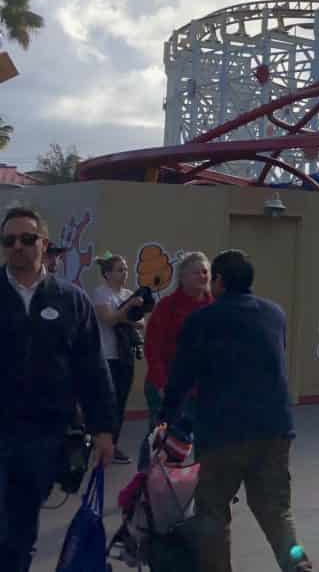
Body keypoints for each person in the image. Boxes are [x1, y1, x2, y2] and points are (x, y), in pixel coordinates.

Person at [162, 249, 313, 572]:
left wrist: (166, 419)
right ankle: (298, 564)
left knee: (213, 512)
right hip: (274, 430)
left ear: (218, 281)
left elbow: (180, 378)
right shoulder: (275, 314)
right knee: (277, 512)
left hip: (221, 434)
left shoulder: (201, 320)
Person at [0, 206, 117, 572]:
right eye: (9, 240)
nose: (17, 246)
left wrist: (103, 430)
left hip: (42, 436)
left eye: (27, 238)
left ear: (44, 243)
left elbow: (92, 369)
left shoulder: (70, 300)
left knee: (19, 530)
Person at [143, 251, 212, 448]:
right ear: (182, 277)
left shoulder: (214, 306)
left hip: (202, 390)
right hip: (168, 386)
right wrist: (162, 383)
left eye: (205, 272)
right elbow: (152, 347)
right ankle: (149, 478)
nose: (202, 276)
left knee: (205, 448)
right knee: (162, 446)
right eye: (196, 272)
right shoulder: (167, 306)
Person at [93, 253, 143, 464]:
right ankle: (98, 443)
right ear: (107, 274)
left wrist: (134, 314)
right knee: (106, 402)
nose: (125, 273)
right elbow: (109, 319)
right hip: (107, 356)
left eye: (125, 269)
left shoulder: (129, 294)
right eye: (120, 269)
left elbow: (141, 323)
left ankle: (113, 445)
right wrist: (129, 309)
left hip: (125, 355)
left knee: (121, 401)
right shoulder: (100, 293)